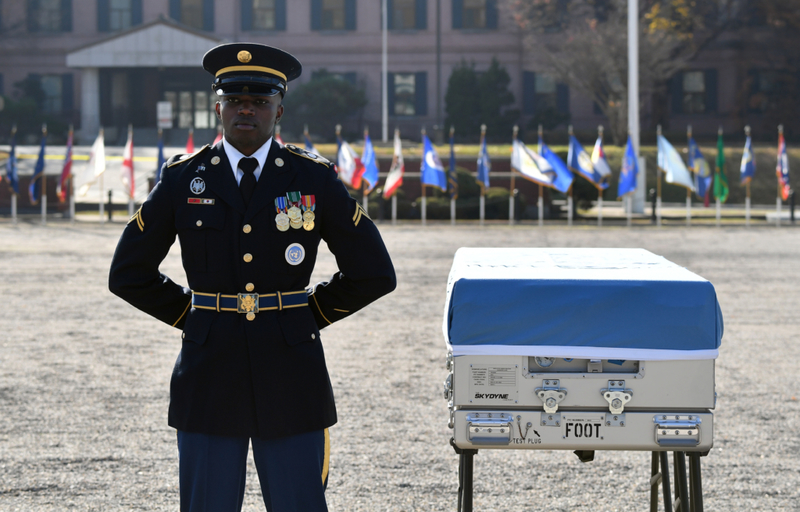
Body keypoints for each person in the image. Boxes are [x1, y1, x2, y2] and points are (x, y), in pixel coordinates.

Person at [108, 42, 396, 512]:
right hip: (209, 367)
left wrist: (307, 314)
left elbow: (374, 273)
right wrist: (193, 316)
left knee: (298, 504)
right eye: (235, 100)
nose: (247, 109)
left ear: (279, 109)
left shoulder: (313, 178)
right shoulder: (184, 178)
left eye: (259, 101)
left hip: (290, 367)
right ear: (216, 106)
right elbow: (128, 273)